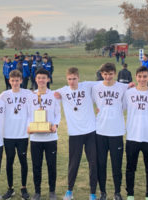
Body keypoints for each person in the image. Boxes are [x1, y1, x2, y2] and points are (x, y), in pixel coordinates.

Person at [0, 70, 31, 200]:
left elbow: (40, 95)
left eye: (17, 80)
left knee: (23, 162)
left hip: (23, 135)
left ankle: (24, 188)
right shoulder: (3, 95)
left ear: (21, 80)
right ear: (9, 81)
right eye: (13, 80)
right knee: (9, 162)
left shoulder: (28, 93)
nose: (15, 83)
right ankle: (10, 188)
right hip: (7, 136)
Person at [55, 67, 98, 200]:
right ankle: (69, 191)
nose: (72, 81)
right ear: (66, 79)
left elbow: (106, 84)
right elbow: (43, 93)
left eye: (74, 78)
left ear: (78, 78)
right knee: (73, 163)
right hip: (74, 134)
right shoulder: (62, 91)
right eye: (69, 79)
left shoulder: (87, 86)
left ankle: (92, 193)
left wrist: (128, 85)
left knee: (93, 163)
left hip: (91, 132)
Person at [92, 63, 129, 200]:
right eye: (105, 74)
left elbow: (124, 106)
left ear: (115, 73)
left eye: (110, 74)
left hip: (116, 132)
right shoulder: (96, 87)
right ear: (102, 74)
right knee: (101, 164)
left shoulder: (122, 87)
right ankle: (103, 192)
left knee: (116, 164)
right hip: (100, 131)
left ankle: (117, 192)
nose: (108, 77)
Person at [124, 66, 148, 200]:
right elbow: (121, 107)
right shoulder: (129, 93)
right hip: (133, 136)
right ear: (136, 77)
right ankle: (130, 194)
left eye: (145, 76)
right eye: (139, 76)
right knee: (130, 168)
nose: (142, 79)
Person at [28, 68, 61, 200]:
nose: (41, 80)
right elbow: (27, 114)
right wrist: (29, 127)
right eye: (39, 78)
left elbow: (58, 113)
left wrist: (55, 125)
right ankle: (37, 192)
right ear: (35, 79)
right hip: (35, 137)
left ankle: (52, 191)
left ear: (48, 79)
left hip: (50, 137)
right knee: (36, 165)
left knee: (51, 165)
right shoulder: (31, 95)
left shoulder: (53, 95)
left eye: (44, 78)